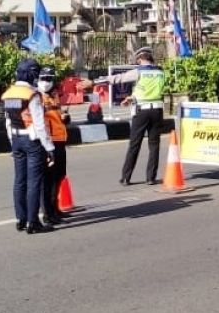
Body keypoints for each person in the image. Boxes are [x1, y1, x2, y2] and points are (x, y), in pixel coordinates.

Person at [81, 48, 167, 186]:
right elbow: (151, 92)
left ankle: (126, 177)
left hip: (141, 112)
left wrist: (93, 82)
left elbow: (116, 79)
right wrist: (132, 98)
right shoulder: (160, 72)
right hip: (157, 110)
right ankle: (151, 177)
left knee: (134, 144)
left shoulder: (139, 71)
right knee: (154, 145)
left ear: (139, 59)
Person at [2, 58, 55, 233]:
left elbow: (8, 121)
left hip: (16, 140)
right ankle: (33, 223)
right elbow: (39, 124)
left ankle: (21, 218)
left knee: (19, 180)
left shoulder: (9, 93)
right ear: (31, 74)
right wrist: (49, 148)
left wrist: (12, 143)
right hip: (32, 141)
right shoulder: (32, 94)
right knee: (34, 182)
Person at [39, 67, 70, 224]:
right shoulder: (37, 97)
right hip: (48, 142)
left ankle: (55, 208)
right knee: (48, 179)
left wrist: (64, 116)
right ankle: (48, 213)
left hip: (59, 139)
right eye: (43, 79)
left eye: (48, 79)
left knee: (60, 176)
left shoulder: (55, 95)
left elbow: (57, 114)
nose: (45, 82)